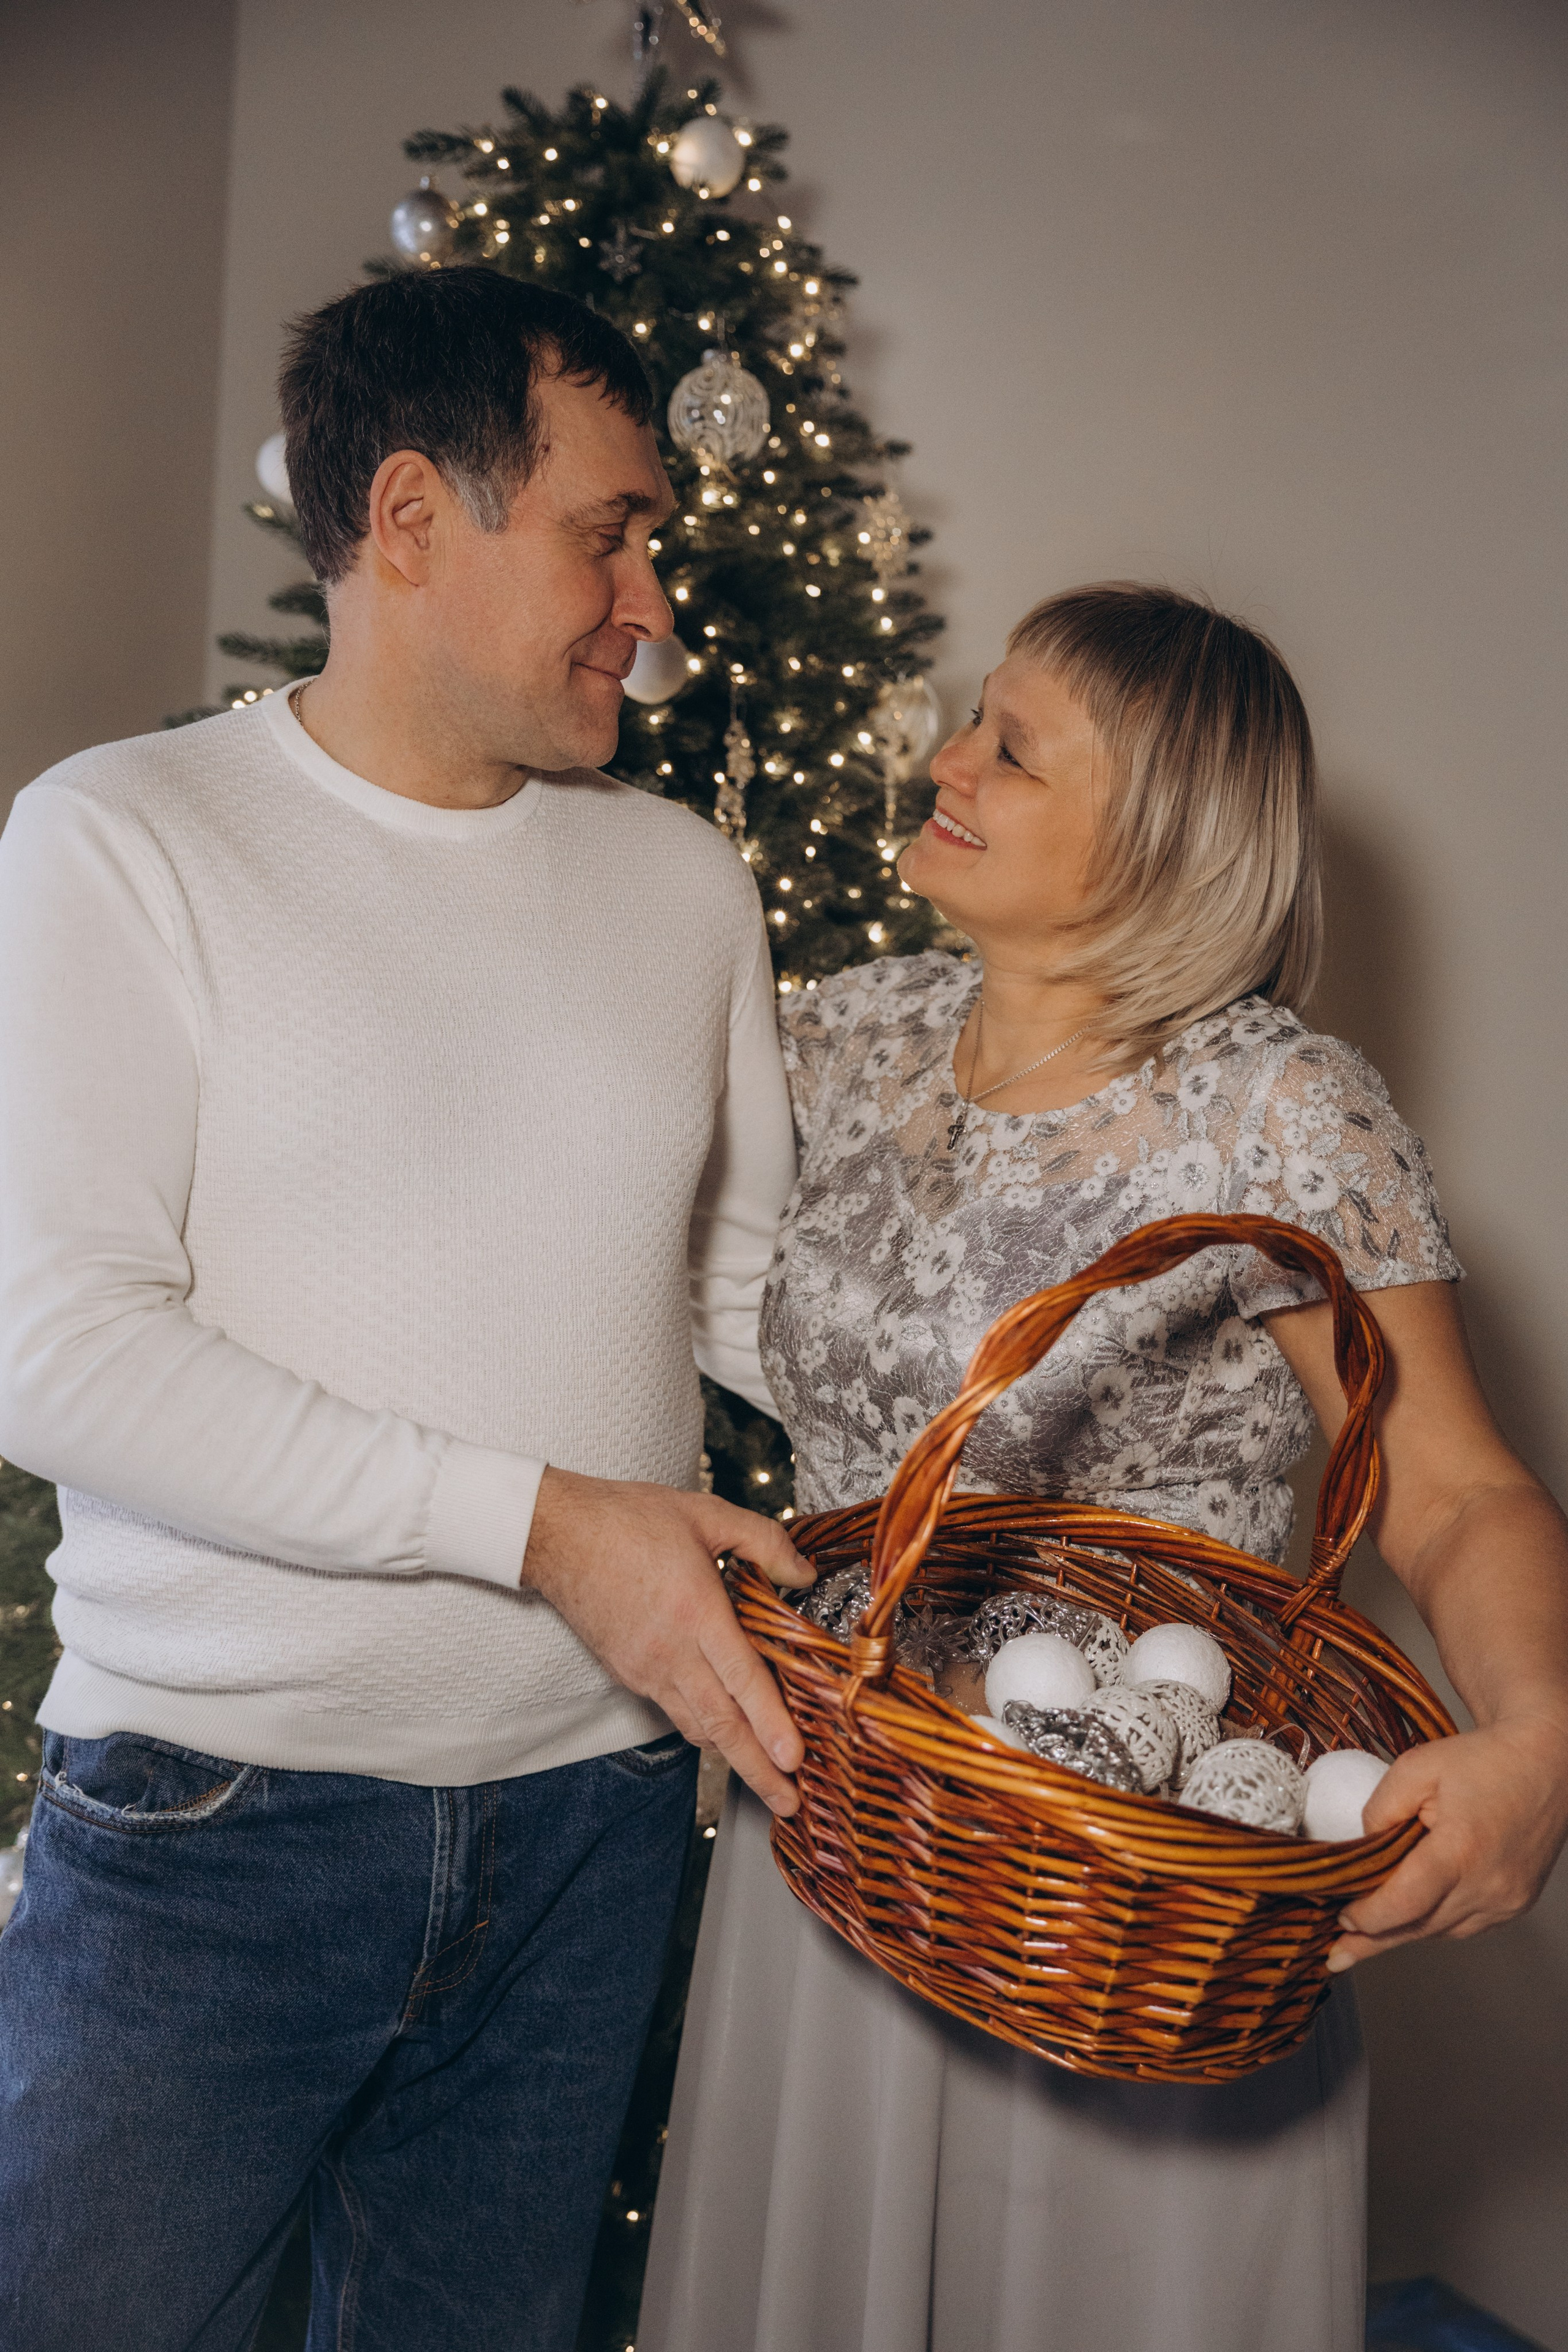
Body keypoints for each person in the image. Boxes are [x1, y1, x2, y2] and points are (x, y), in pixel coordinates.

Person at [0, 266, 814, 2352]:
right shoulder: (119, 839)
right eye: (609, 535)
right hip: (213, 1833)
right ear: (412, 518)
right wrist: (552, 1528)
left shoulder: (684, 881)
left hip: (597, 1826)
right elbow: (57, 1354)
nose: (650, 603)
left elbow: (755, 1303)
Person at [639, 583, 1568, 2352]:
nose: (947, 760)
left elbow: (1455, 1488)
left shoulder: (1282, 1110)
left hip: (1137, 1896)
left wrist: (1541, 1740)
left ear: (1161, 837)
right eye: (972, 719)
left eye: (1013, 749)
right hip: (847, 1813)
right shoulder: (848, 1034)